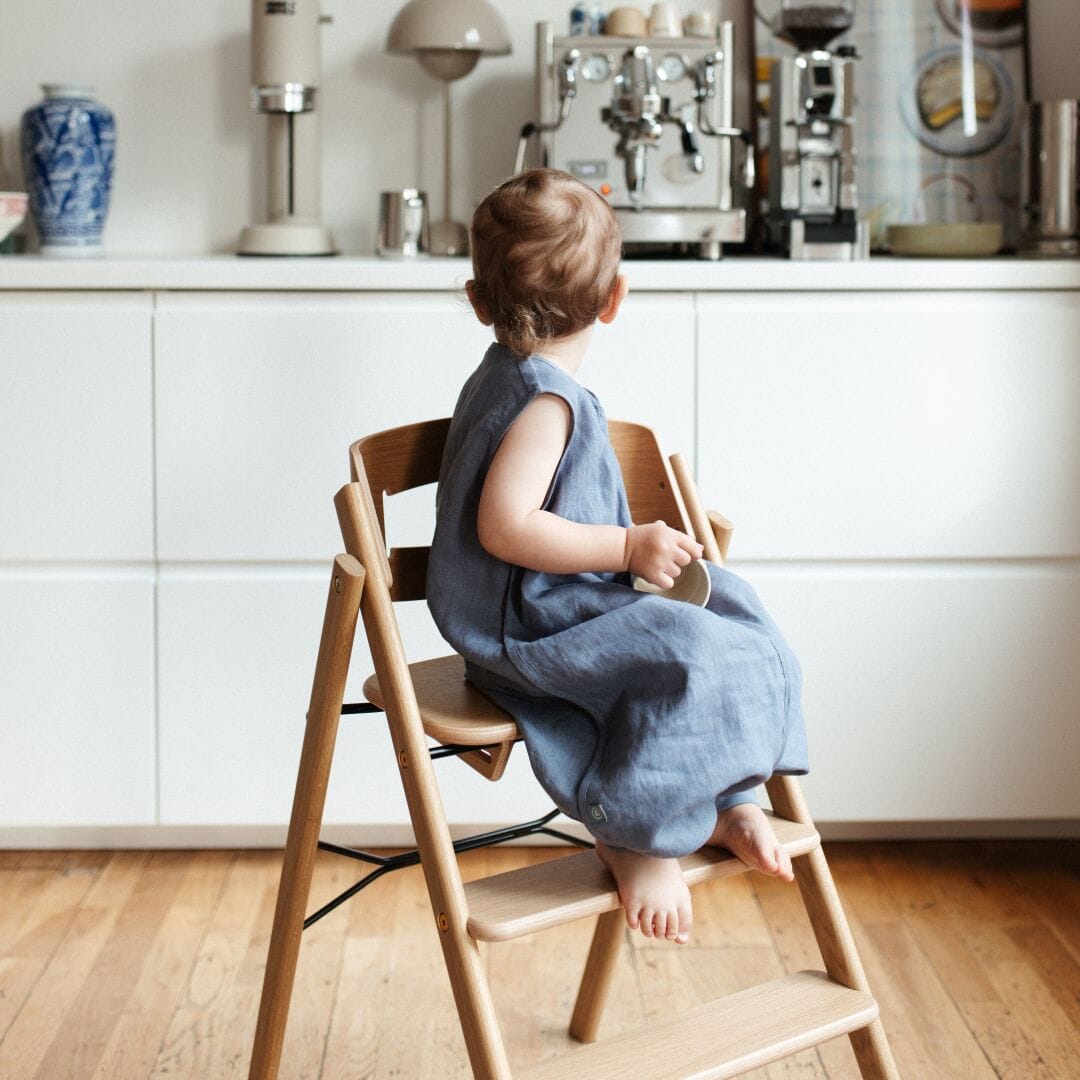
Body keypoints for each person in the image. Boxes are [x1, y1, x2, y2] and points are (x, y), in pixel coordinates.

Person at [427, 168, 808, 945]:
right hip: (531, 623)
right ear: (614, 300)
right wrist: (628, 544)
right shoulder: (543, 402)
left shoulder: (525, 384)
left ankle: (728, 797)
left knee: (736, 613)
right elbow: (506, 529)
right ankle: (635, 834)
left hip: (565, 599)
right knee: (690, 650)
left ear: (476, 301)